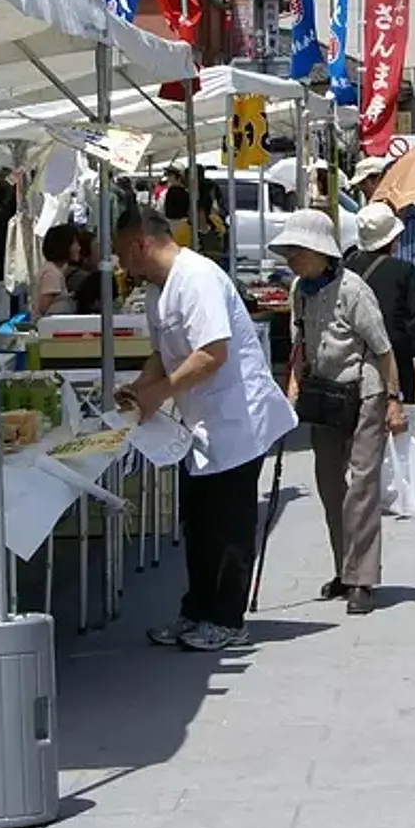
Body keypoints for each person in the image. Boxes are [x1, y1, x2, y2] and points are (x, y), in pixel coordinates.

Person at [116, 208, 295, 652]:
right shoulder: (159, 292)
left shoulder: (198, 278)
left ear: (141, 244)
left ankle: (227, 618)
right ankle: (195, 609)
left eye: (122, 254)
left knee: (229, 524)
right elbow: (163, 352)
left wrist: (160, 392)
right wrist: (141, 389)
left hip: (236, 419)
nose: (121, 266)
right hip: (198, 423)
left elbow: (211, 352)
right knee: (197, 521)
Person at [276, 209, 403, 615]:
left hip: (364, 392)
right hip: (324, 396)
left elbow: (383, 350)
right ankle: (343, 569)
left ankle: (363, 577)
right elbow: (300, 345)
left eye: (297, 251)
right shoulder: (300, 289)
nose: (291, 258)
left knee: (362, 487)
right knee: (331, 486)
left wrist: (394, 401)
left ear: (319, 251)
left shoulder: (354, 290)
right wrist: (292, 390)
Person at [347, 203, 415, 423]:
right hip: (397, 356)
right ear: (392, 239)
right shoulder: (404, 271)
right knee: (400, 429)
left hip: (354, 357)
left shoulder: (347, 267)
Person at [30, 224, 82, 323]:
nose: (79, 248)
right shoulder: (52, 273)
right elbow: (46, 309)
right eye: (75, 243)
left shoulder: (54, 270)